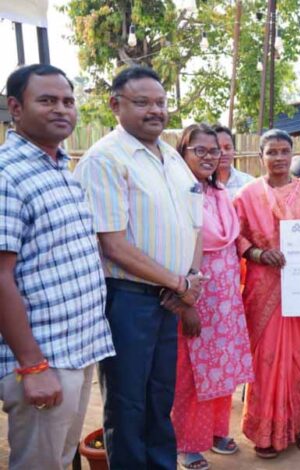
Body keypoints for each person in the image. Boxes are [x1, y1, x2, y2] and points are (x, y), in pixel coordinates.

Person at [74, 66, 206, 469]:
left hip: (169, 299)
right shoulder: (105, 159)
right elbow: (112, 244)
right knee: (128, 403)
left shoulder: (171, 156)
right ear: (115, 105)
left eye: (161, 102)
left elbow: (194, 224)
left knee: (159, 398)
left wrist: (190, 281)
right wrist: (179, 283)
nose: (156, 111)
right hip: (128, 301)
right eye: (143, 102)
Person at [0, 65, 114, 470]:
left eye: (68, 100)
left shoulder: (59, 170)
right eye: (47, 100)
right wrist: (32, 365)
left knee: (61, 459)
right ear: (16, 108)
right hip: (43, 357)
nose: (62, 109)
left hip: (77, 349)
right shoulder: (7, 176)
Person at [233, 129, 300, 458]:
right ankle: (264, 432)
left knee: (298, 360)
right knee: (265, 361)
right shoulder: (245, 196)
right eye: (271, 152)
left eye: (284, 151)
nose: (279, 158)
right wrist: (259, 254)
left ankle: (297, 426)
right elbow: (236, 238)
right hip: (263, 289)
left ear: (293, 154)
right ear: (261, 157)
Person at [171, 124, 254, 470]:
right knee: (191, 376)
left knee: (223, 369)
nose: (209, 157)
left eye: (215, 150)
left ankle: (218, 431)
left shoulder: (219, 192)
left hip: (225, 300)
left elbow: (233, 242)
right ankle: (187, 443)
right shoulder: (178, 193)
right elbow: (175, 252)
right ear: (183, 152)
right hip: (195, 299)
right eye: (200, 150)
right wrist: (186, 305)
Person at [214, 125, 254, 199]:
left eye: (227, 148)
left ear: (234, 150)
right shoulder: (201, 184)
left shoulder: (248, 183)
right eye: (217, 148)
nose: (223, 152)